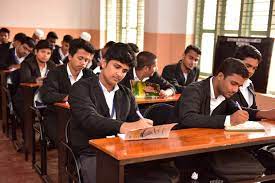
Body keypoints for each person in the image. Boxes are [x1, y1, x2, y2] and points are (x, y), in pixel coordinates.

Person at [69, 43, 175, 183]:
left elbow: (136, 119)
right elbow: (90, 119)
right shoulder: (81, 88)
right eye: (117, 67)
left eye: (125, 70)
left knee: (162, 178)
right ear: (103, 62)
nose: (119, 74)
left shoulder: (126, 94)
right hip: (91, 153)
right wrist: (125, 126)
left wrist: (148, 129)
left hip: (122, 151)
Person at [175, 58, 275, 182]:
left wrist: (265, 114)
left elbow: (237, 110)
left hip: (208, 151)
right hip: (183, 152)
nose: (235, 90)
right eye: (233, 83)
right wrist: (228, 120)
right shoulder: (194, 90)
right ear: (220, 76)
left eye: (239, 86)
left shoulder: (225, 93)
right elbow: (188, 118)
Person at [39, 38, 95, 145]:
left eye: (87, 60)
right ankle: (69, 161)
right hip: (57, 118)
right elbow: (47, 95)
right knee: (69, 140)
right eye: (80, 58)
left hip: (81, 118)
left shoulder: (89, 75)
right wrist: (69, 97)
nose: (83, 63)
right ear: (70, 56)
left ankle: (80, 161)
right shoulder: (55, 73)